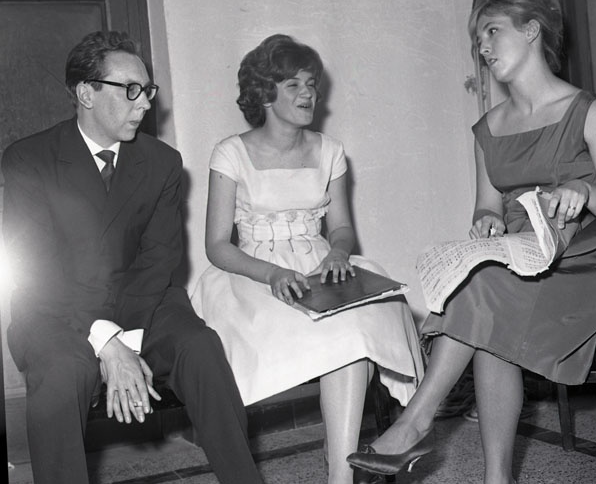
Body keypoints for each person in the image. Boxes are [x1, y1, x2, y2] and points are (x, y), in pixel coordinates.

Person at [347, 0, 596, 484]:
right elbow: (486, 207)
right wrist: (486, 221)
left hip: (586, 258)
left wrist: (586, 191)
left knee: (483, 292)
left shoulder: (588, 112)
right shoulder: (488, 128)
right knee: (485, 299)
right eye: (478, 38)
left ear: (531, 30)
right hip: (519, 256)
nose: (482, 47)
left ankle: (416, 422)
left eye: (492, 31)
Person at [2, 31, 264, 484]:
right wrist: (108, 343)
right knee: (61, 372)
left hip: (145, 302)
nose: (144, 103)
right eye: (130, 90)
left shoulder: (162, 162)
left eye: (147, 90)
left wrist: (128, 340)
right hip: (55, 310)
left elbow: (158, 260)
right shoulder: (29, 159)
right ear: (86, 93)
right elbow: (39, 273)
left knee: (200, 346)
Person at [189, 34, 424, 484]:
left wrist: (337, 251)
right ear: (265, 93)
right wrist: (273, 273)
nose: (308, 94)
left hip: (318, 265)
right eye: (293, 84)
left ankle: (340, 473)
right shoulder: (231, 152)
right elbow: (217, 246)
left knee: (358, 326)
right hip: (253, 274)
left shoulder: (330, 150)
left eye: (311, 84)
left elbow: (342, 228)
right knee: (325, 330)